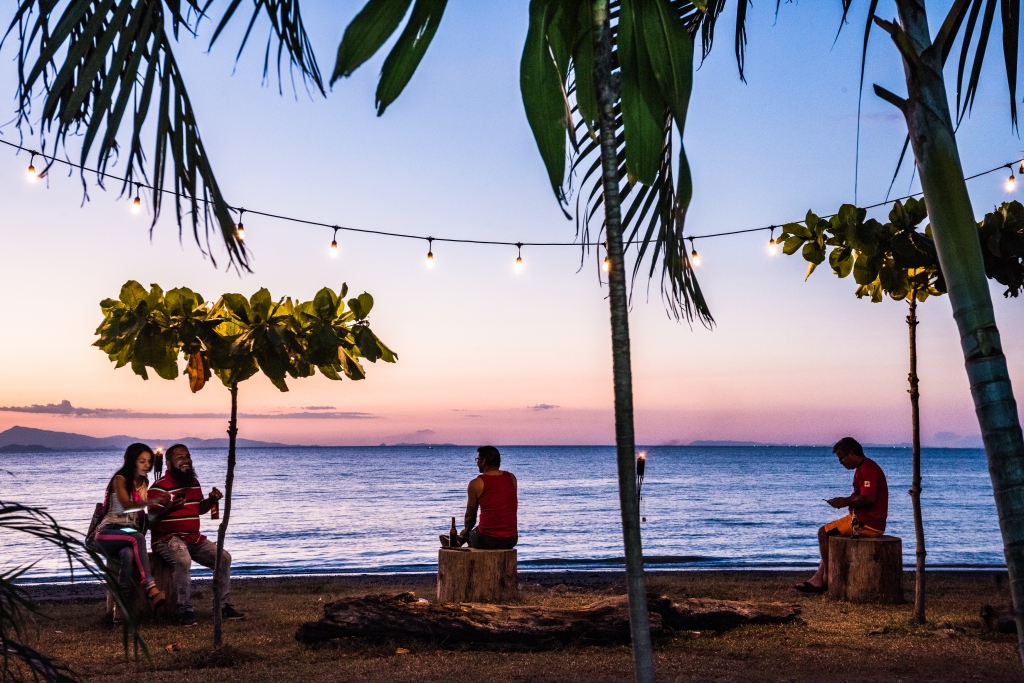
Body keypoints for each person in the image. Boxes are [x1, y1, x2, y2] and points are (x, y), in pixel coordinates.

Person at [147, 444, 245, 626]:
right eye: (180, 457)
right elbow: (151, 518)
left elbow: (199, 509)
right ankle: (184, 609)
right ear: (168, 463)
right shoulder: (159, 488)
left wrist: (211, 500)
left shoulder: (194, 483)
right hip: (167, 538)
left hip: (193, 537)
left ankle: (222, 606)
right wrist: (169, 509)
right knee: (183, 560)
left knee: (223, 558)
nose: (186, 460)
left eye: (188, 456)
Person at [794, 437, 889, 593]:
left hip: (866, 524)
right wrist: (846, 502)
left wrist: (845, 501)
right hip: (861, 520)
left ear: (851, 454)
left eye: (841, 458)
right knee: (830, 535)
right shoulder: (863, 468)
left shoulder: (868, 469)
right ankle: (819, 578)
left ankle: (827, 578)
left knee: (823, 533)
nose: (841, 462)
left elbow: (869, 499)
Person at [94, 443, 166, 624]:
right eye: (142, 461)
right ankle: (151, 587)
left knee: (128, 555)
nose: (147, 465)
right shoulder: (120, 479)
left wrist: (168, 506)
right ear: (131, 461)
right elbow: (126, 505)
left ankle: (119, 609)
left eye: (149, 462)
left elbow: (144, 515)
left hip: (127, 536)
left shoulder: (144, 482)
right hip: (107, 533)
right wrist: (152, 500)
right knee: (138, 538)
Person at [443, 446, 518, 550]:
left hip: (487, 539)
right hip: (512, 539)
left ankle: (460, 539)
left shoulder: (476, 483)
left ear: (483, 461)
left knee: (471, 535)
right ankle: (460, 539)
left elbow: (470, 515)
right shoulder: (512, 478)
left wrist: (466, 530)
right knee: (474, 533)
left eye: (478, 459)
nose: (477, 462)